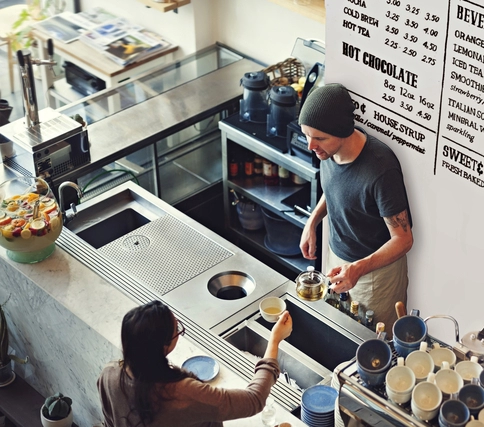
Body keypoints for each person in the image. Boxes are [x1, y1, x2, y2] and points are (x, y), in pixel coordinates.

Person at [298, 83, 413, 333]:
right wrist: (313, 221)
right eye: (307, 134)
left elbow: (403, 239)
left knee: (372, 344)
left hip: (374, 277)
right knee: (336, 332)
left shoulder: (381, 169)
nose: (310, 145)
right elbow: (336, 189)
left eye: (319, 138)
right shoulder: (327, 153)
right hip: (337, 260)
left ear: (342, 132)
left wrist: (358, 268)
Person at [97, 300, 292, 427]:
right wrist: (274, 340)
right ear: (164, 347)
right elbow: (254, 400)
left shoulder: (109, 374)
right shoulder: (181, 394)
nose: (179, 332)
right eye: (177, 330)